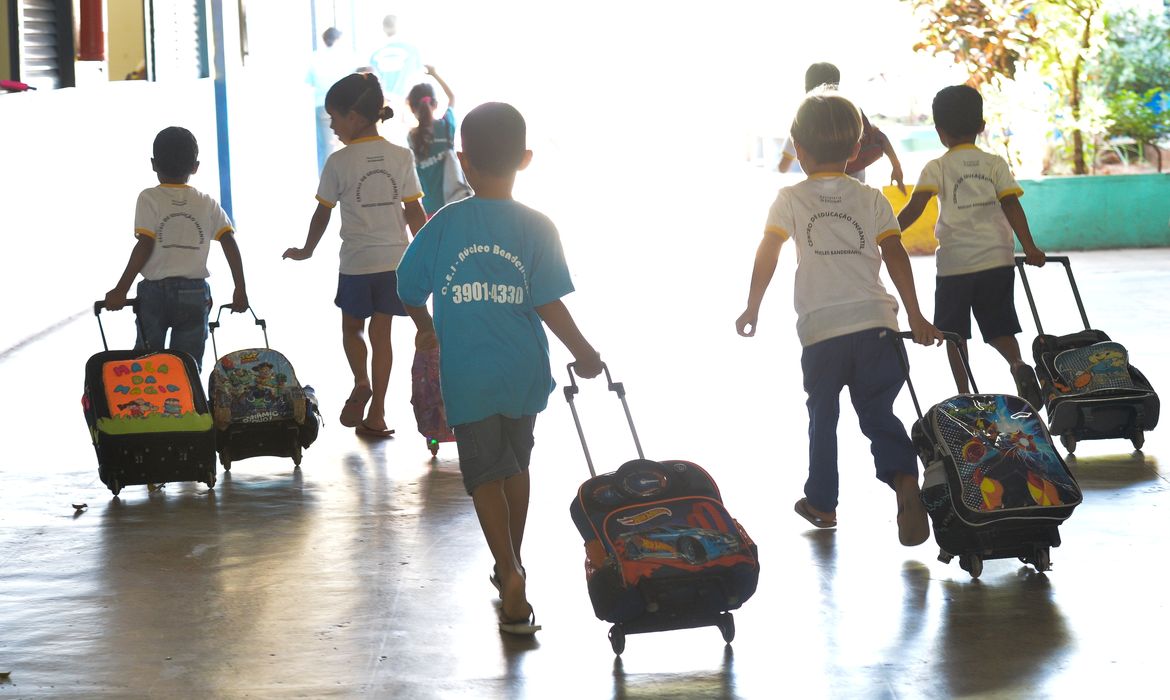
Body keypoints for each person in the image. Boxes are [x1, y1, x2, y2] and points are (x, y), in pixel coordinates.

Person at [396, 102, 603, 635]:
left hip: (468, 373)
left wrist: (426, 323)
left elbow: (407, 285)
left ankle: (509, 571)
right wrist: (584, 351)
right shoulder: (538, 226)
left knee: (484, 472)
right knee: (515, 464)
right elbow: (549, 303)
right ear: (526, 159)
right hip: (523, 369)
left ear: (462, 161)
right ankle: (511, 560)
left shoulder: (445, 224)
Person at [735, 90, 943, 546]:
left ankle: (822, 503)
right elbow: (895, 253)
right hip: (876, 325)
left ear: (798, 149)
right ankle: (905, 480)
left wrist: (753, 305)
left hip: (822, 331)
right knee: (878, 413)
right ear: (855, 151)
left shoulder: (789, 198)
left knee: (823, 416)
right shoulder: (871, 199)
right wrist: (916, 315)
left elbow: (768, 250)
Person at [282, 73, 428, 438]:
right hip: (395, 262)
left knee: (352, 329)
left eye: (334, 117)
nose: (331, 125)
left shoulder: (339, 162)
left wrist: (307, 249)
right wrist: (426, 252)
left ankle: (361, 381)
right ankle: (377, 412)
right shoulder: (401, 156)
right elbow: (414, 211)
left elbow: (322, 213)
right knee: (383, 334)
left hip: (357, 263)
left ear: (353, 116)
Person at [896, 84, 1046, 408]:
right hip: (997, 259)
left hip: (955, 265)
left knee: (953, 333)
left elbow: (915, 206)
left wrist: (889, 232)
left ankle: (965, 395)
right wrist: (1030, 247)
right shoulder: (994, 164)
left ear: (939, 131)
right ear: (981, 126)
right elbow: (1012, 207)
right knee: (999, 325)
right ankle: (1017, 365)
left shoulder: (937, 167)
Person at [104, 126, 248, 373]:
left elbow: (145, 244)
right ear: (195, 167)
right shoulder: (206, 202)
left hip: (154, 294)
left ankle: (149, 408)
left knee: (146, 362)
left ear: (153, 164)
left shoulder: (149, 198)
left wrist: (121, 289)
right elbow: (229, 242)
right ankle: (187, 409)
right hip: (194, 293)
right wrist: (240, 289)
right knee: (187, 365)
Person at [778, 62, 906, 193]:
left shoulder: (804, 121)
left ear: (806, 87)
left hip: (820, 197)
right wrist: (896, 167)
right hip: (855, 194)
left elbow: (782, 167)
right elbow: (880, 137)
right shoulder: (851, 113)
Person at [406, 65, 469, 216]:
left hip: (430, 208)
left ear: (412, 108)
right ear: (435, 104)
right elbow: (452, 97)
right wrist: (434, 74)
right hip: (455, 201)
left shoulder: (412, 137)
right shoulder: (446, 125)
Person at [307, 27, 357, 174]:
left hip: (321, 105)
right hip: (343, 105)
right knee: (348, 143)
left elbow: (309, 81)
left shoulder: (315, 57)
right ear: (338, 40)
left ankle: (326, 185)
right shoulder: (346, 56)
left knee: (326, 147)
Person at [368, 14, 422, 108]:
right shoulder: (413, 50)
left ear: (384, 29)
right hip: (408, 102)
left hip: (384, 102)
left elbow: (374, 80)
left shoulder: (375, 54)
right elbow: (418, 77)